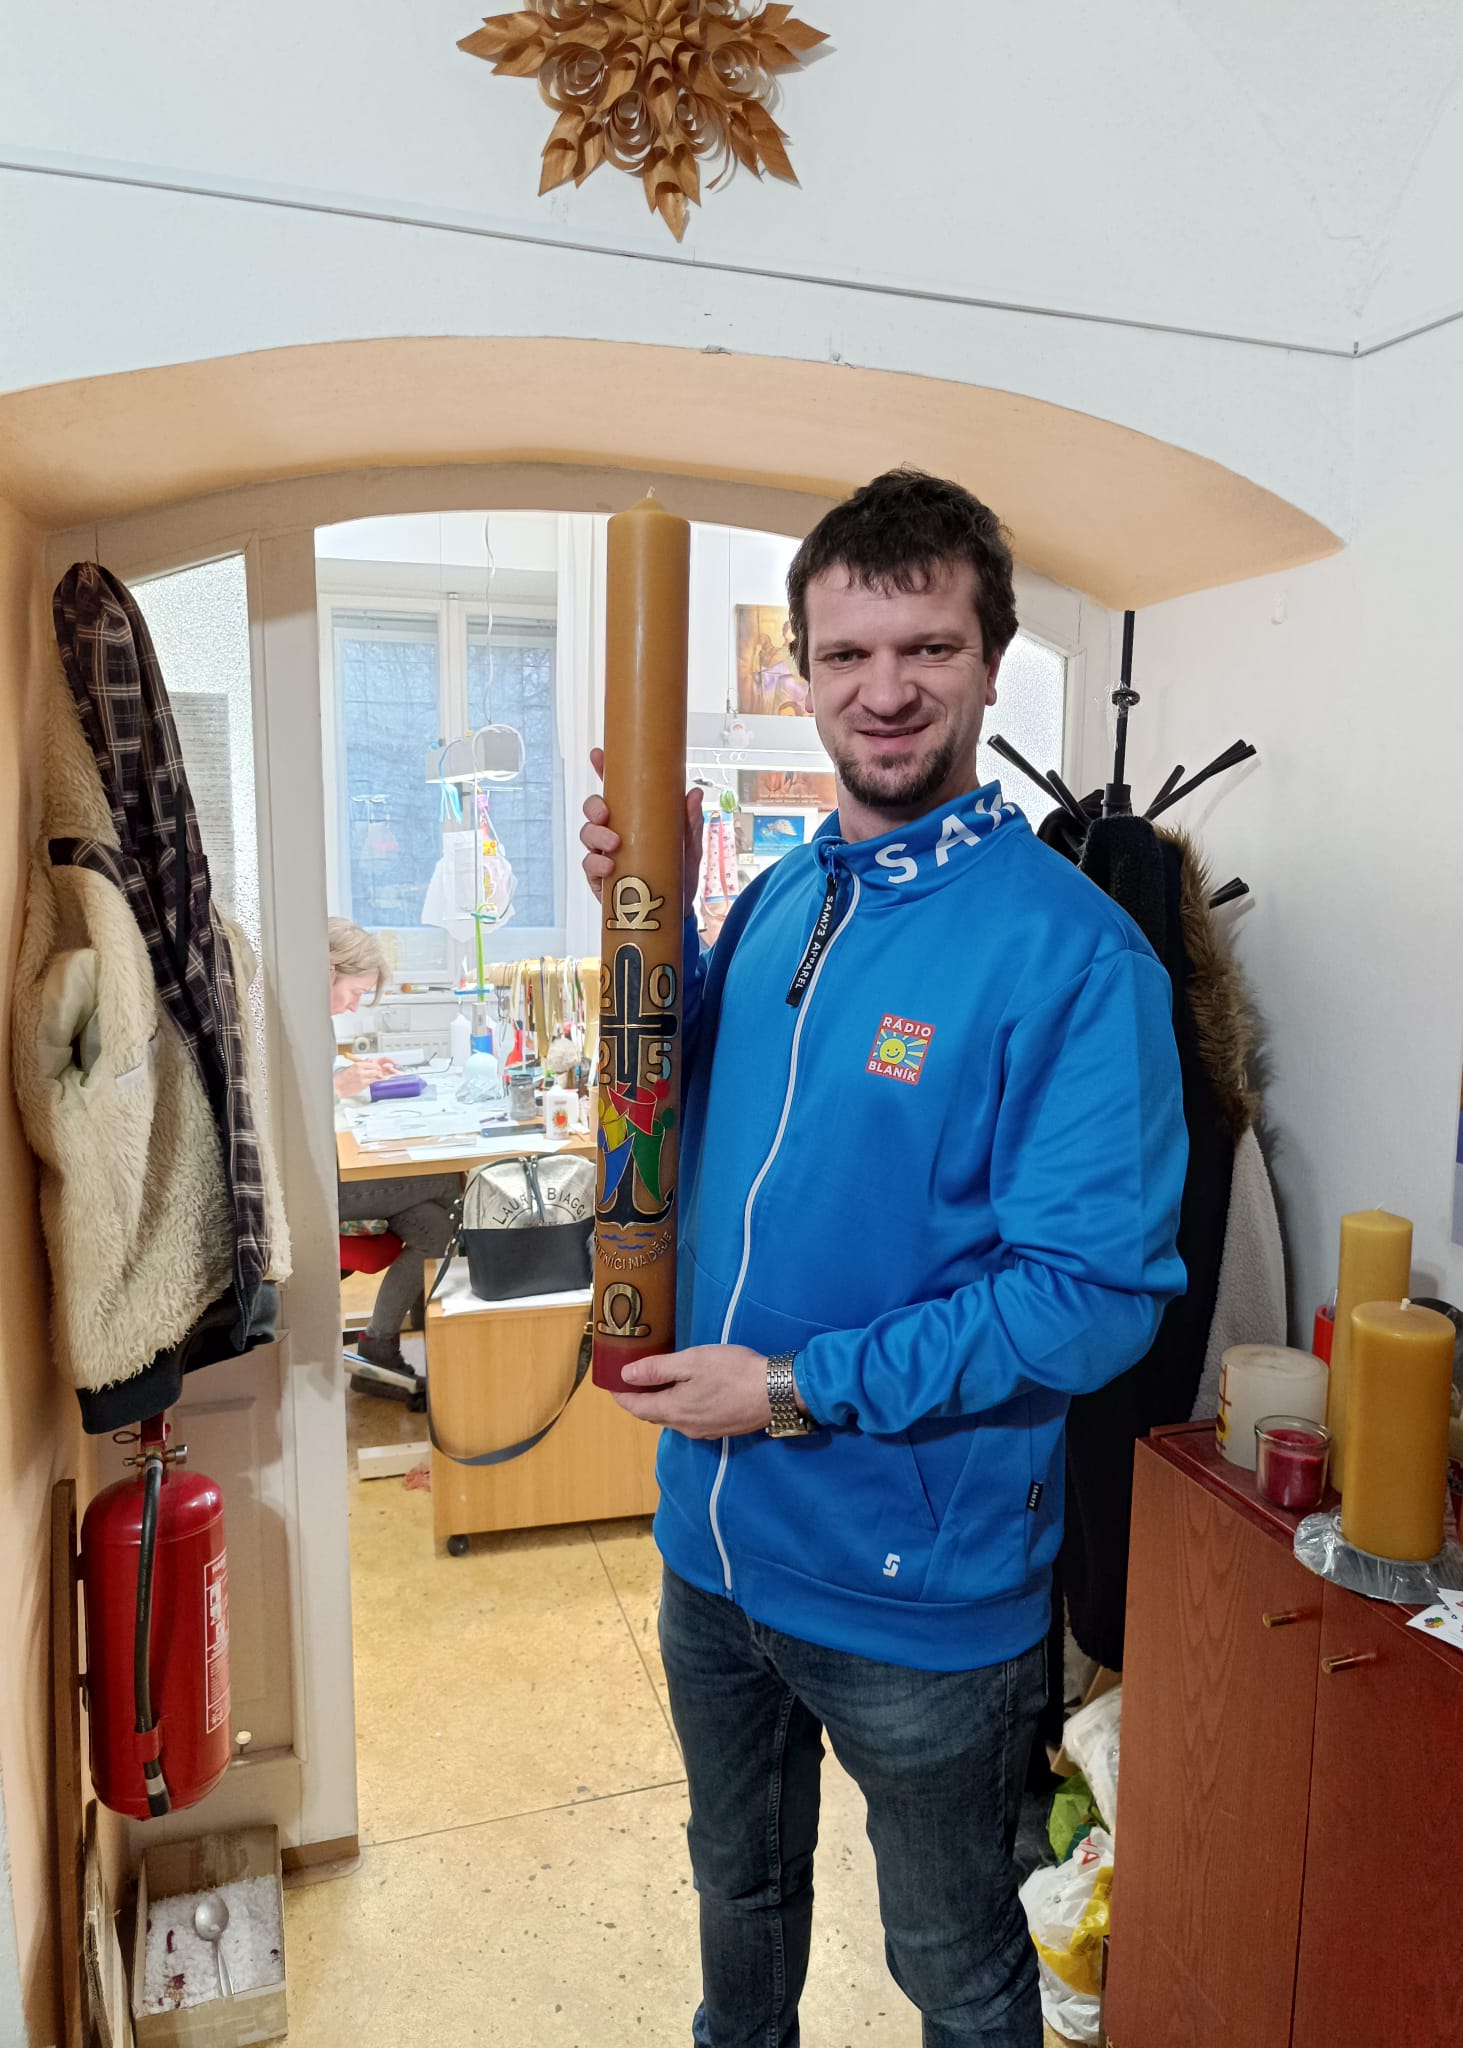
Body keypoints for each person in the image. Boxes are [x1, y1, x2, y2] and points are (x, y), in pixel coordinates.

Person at [579, 469, 1187, 2048]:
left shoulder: (1077, 957)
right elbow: (711, 1106)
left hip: (919, 1595)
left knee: (956, 1974)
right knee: (738, 1897)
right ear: (804, 671)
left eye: (928, 648)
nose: (886, 690)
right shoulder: (790, 891)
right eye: (847, 655)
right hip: (714, 1550)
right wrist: (648, 923)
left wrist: (791, 1390)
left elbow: (1092, 1301)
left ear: (992, 664)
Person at [328, 918, 458, 1373]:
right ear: (329, 970)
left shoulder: (313, 1019)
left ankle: (378, 1344)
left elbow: (321, 1072)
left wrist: (352, 1071)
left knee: (435, 1230)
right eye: (355, 992)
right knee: (450, 1182)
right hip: (318, 1186)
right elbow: (285, 1106)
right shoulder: (285, 1017)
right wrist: (338, 1085)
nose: (354, 1005)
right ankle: (456, 1323)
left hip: (333, 1170)